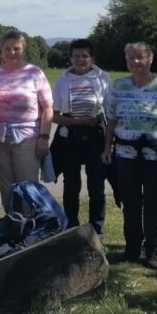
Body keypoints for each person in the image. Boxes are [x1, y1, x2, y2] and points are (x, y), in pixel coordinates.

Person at [101, 42, 157, 271]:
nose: (136, 62)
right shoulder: (119, 86)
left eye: (140, 57)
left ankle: (153, 251)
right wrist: (108, 148)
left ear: (150, 59)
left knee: (155, 202)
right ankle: (132, 249)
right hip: (125, 153)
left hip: (155, 154)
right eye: (131, 58)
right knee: (130, 201)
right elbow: (112, 120)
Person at [51, 38, 110, 236]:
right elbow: (54, 115)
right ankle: (71, 227)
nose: (80, 59)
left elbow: (110, 111)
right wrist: (79, 122)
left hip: (95, 136)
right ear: (70, 58)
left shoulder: (102, 78)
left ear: (92, 57)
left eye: (85, 55)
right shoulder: (62, 81)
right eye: (76, 56)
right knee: (71, 185)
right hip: (70, 136)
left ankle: (96, 229)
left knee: (96, 184)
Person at [0, 30, 53, 212]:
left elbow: (47, 107)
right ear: (0, 50)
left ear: (23, 49)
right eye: (7, 49)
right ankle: (13, 224)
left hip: (27, 138)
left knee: (27, 185)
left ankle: (32, 226)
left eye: (16, 48)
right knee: (6, 186)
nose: (12, 53)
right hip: (0, 139)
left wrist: (44, 136)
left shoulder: (34, 73)